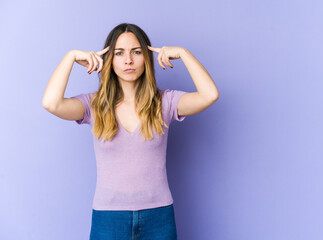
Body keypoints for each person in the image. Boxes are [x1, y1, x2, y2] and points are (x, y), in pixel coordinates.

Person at [42, 22, 219, 240]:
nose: (128, 60)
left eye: (136, 52)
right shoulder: (94, 105)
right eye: (119, 53)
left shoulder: (165, 102)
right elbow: (51, 103)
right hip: (108, 218)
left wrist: (184, 53)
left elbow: (209, 95)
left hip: (159, 217)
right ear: (109, 60)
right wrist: (70, 57)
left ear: (146, 57)